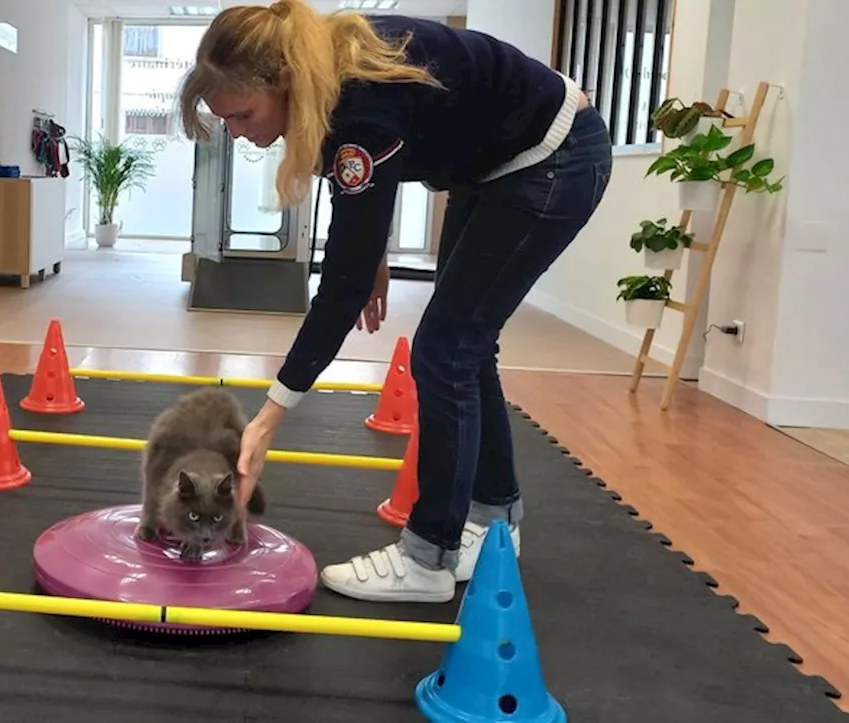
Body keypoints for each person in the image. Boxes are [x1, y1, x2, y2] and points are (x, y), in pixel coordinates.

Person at [177, 0, 612, 603]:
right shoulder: (323, 78)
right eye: (225, 120)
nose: (238, 131)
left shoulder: (360, 101)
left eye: (243, 114)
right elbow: (362, 210)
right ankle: (494, 524)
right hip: (493, 166)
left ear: (281, 81)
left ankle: (426, 560)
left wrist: (271, 414)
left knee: (445, 349)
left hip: (551, 159)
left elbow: (341, 285)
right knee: (465, 345)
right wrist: (370, 248)